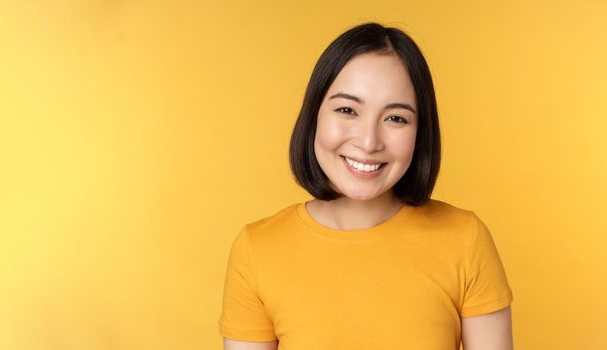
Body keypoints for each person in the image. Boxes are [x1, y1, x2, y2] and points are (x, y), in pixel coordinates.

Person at [219, 22, 514, 350]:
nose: (369, 141)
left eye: (396, 118)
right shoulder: (257, 250)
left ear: (420, 135)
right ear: (314, 114)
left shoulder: (465, 241)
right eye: (347, 110)